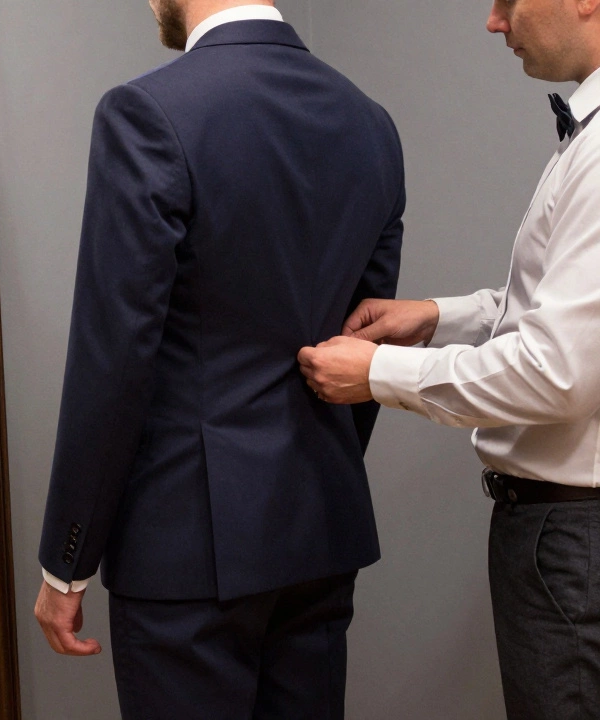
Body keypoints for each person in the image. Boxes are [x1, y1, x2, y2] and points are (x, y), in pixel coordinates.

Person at [33, 1, 406, 717]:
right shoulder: (370, 122)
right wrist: (321, 467)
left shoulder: (146, 111)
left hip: (185, 545)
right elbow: (362, 339)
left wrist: (68, 560)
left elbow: (113, 357)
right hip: (320, 526)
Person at [300, 2, 600, 717]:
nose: (494, 23)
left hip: (572, 540)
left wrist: (376, 376)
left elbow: (557, 372)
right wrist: (440, 316)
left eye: (507, 0)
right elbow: (567, 316)